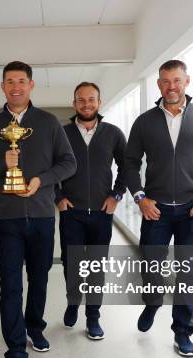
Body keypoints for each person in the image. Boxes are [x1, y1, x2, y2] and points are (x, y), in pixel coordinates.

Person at [0, 61, 76, 358]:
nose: (15, 86)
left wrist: (42, 180)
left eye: (21, 81)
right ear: (2, 87)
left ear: (31, 85)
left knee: (40, 278)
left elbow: (68, 162)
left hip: (43, 215)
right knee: (11, 287)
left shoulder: (48, 123)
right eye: (9, 81)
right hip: (5, 219)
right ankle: (16, 353)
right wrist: (3, 166)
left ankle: (35, 326)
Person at [124, 59, 193, 356]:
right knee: (150, 266)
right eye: (166, 81)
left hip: (191, 211)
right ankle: (153, 301)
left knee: (187, 273)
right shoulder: (144, 121)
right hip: (155, 209)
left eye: (177, 80)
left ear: (187, 81)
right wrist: (140, 197)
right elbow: (130, 164)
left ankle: (182, 332)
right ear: (159, 84)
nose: (171, 86)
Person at [55, 82, 126, 340]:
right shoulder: (61, 133)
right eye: (81, 100)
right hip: (71, 212)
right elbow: (48, 167)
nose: (86, 104)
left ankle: (93, 316)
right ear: (74, 104)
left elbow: (127, 166)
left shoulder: (113, 133)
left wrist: (116, 195)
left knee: (96, 266)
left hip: (100, 213)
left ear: (99, 102)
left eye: (91, 99)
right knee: (70, 264)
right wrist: (58, 197)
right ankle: (73, 301)